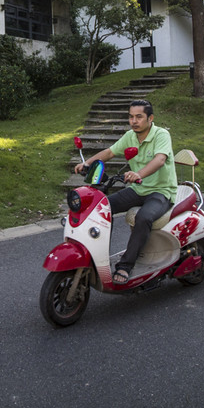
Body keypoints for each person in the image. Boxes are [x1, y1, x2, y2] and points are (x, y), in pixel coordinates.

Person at [74, 100, 180, 285]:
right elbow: (109, 152)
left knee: (144, 217)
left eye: (139, 117)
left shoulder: (161, 134)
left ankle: (125, 266)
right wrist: (87, 163)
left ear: (150, 118)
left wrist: (138, 173)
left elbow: (160, 160)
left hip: (161, 191)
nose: (134, 121)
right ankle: (96, 256)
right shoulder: (130, 136)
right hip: (138, 189)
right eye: (131, 117)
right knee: (101, 208)